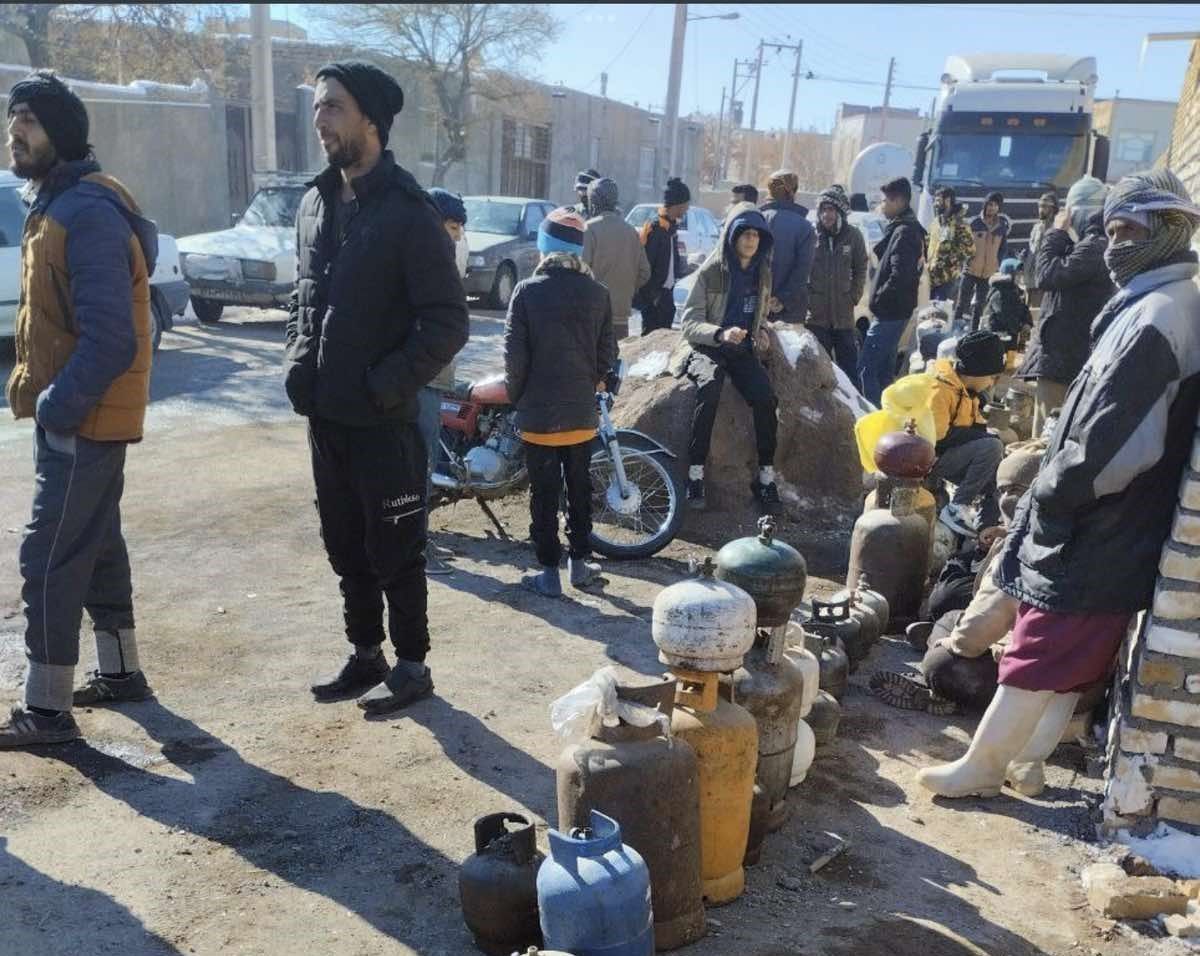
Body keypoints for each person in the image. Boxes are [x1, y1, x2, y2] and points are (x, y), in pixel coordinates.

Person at [918, 169, 1200, 801]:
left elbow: (1121, 442)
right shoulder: (1162, 303)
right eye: (1112, 229)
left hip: (1102, 515)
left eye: (1132, 230)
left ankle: (984, 766)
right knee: (1072, 656)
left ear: (1170, 233)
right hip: (1117, 516)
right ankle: (1029, 763)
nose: (1115, 242)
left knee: (1039, 648)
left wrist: (1056, 493)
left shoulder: (1158, 315)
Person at [285, 62, 469, 717]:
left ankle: (413, 667)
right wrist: (296, 363)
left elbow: (447, 321)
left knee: (396, 551)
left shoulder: (408, 213)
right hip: (325, 416)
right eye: (316, 107)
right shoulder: (314, 202)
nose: (320, 120)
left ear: (371, 121)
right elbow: (302, 299)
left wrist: (386, 384)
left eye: (332, 106)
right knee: (346, 547)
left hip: (383, 420)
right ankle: (366, 655)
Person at [0, 71, 157, 747]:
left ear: (61, 131)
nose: (15, 132)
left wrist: (60, 406)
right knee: (96, 550)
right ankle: (121, 675)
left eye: (29, 119)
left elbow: (113, 336)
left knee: (50, 556)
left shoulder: (84, 212)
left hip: (82, 418)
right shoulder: (61, 203)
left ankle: (47, 711)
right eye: (12, 120)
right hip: (80, 416)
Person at [871, 445, 1041, 721]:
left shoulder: (1020, 549)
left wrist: (950, 645)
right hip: (1071, 684)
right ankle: (935, 634)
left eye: (1012, 491)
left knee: (943, 657)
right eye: (1003, 491)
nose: (1004, 499)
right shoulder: (1072, 532)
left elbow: (974, 636)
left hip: (1018, 675)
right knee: (952, 614)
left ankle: (941, 680)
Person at [505, 208, 615, 597]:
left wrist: (518, 399)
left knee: (544, 494)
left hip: (539, 417)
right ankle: (580, 566)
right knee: (580, 488)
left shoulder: (527, 291)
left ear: (544, 247)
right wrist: (591, 384)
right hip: (581, 415)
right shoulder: (598, 293)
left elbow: (514, 358)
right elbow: (607, 355)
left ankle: (548, 573)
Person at [671, 201, 780, 512]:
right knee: (711, 387)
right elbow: (689, 322)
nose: (750, 240)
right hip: (708, 347)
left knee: (765, 398)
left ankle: (766, 478)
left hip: (742, 350)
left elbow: (756, 316)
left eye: (756, 235)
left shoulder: (762, 273)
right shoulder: (711, 270)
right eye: (744, 233)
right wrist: (720, 334)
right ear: (732, 236)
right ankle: (695, 474)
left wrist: (761, 332)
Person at [1016, 176, 1113, 438]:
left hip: (1064, 361)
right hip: (1064, 358)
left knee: (1044, 441)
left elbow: (1045, 275)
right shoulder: (1090, 245)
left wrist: (1057, 232)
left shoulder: (1095, 247)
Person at [420, 187, 470, 575]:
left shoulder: (441, 257)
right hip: (421, 378)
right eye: (452, 226)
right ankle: (416, 548)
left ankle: (418, 541)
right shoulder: (420, 261)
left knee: (425, 461)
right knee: (417, 464)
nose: (457, 235)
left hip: (435, 376)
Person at [928, 330, 1007, 537]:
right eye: (991, 377)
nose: (991, 383)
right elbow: (938, 438)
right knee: (992, 447)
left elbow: (975, 426)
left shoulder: (967, 391)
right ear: (976, 371)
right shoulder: (941, 388)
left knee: (999, 471)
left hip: (951, 454)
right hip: (932, 460)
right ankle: (956, 507)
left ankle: (984, 529)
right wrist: (986, 440)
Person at [858, 177, 925, 406]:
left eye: (886, 200)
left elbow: (900, 275)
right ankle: (889, 418)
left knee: (866, 370)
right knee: (884, 373)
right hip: (895, 312)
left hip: (890, 313)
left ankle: (871, 419)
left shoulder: (905, 232)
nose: (882, 205)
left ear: (898, 201)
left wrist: (880, 300)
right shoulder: (905, 228)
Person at [806, 184, 868, 382]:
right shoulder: (811, 236)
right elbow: (801, 271)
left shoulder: (853, 236)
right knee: (818, 373)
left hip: (844, 317)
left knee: (849, 371)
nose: (826, 214)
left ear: (840, 212)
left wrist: (853, 296)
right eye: (823, 209)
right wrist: (807, 300)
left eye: (831, 209)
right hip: (816, 318)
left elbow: (861, 268)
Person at [582, 176, 649, 341]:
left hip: (592, 315)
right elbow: (645, 272)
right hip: (620, 316)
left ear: (594, 201)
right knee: (616, 362)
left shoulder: (589, 229)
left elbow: (581, 271)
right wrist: (627, 289)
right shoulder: (631, 232)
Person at [633, 177, 690, 336]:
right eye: (686, 204)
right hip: (655, 299)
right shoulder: (655, 228)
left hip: (666, 296)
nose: (687, 209)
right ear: (678, 204)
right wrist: (653, 296)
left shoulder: (671, 228)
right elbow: (646, 265)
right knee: (650, 344)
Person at [760, 169, 815, 325]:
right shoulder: (804, 227)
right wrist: (781, 299)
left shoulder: (755, 219)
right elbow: (802, 271)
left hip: (754, 307)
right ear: (793, 192)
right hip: (790, 311)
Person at [957, 191, 1011, 330]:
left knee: (979, 305)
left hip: (987, 273)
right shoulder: (974, 223)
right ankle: (955, 329)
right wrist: (966, 262)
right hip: (970, 270)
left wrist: (996, 264)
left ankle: (973, 332)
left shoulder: (1002, 227)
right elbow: (963, 245)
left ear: (999, 208)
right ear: (985, 205)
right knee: (962, 302)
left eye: (995, 205)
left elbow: (1003, 249)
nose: (992, 208)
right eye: (990, 204)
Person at [926, 186, 975, 303]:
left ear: (947, 201)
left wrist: (949, 262)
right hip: (931, 277)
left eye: (938, 201)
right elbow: (928, 242)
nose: (935, 204)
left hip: (947, 279)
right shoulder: (936, 222)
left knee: (940, 313)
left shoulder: (960, 224)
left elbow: (970, 250)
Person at [980, 257, 1032, 353]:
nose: (1020, 277)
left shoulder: (1016, 292)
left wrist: (1027, 322)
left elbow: (1024, 309)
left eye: (1020, 274)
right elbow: (1005, 315)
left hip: (1012, 336)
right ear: (1010, 275)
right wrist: (1019, 327)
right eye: (1017, 274)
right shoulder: (998, 293)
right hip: (1000, 338)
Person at [1022, 191, 1059, 312]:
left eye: (1044, 206)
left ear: (1053, 209)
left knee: (1037, 315)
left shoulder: (1057, 230)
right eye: (1040, 206)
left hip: (1043, 282)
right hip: (1029, 280)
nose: (1041, 210)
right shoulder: (1036, 227)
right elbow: (1033, 249)